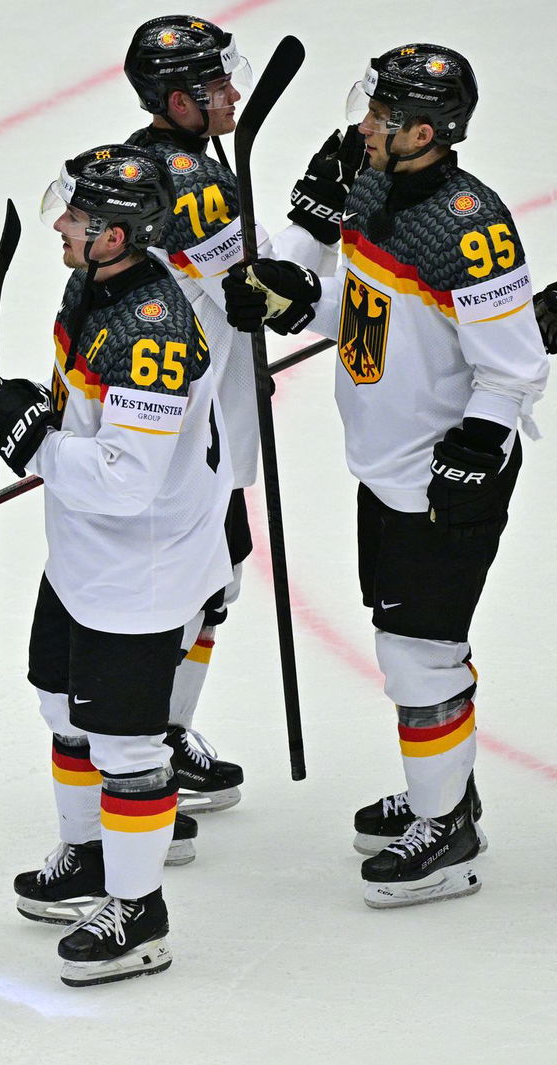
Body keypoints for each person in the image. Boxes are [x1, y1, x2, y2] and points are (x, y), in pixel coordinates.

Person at [221, 44, 545, 907]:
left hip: (441, 476)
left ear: (427, 133)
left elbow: (513, 366)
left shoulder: (468, 226)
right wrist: (295, 301)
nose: (363, 126)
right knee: (407, 643)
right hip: (386, 467)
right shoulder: (371, 190)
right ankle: (448, 787)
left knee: (419, 657)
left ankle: (448, 834)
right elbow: (365, 307)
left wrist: (476, 452)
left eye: (381, 117)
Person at [0, 143, 232, 986]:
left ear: (118, 233)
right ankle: (87, 854)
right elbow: (84, 414)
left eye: (76, 215)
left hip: (138, 570)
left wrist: (31, 440)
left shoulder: (150, 328)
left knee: (126, 744)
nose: (61, 225)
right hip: (83, 552)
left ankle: (138, 910)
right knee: (57, 703)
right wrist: (24, 409)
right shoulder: (92, 286)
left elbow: (127, 478)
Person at [122, 14, 349, 816]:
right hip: (185, 428)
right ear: (177, 100)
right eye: (218, 82)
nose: (233, 92)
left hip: (201, 416)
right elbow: (254, 290)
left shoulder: (160, 161)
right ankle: (140, 761)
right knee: (178, 590)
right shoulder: (190, 179)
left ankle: (164, 734)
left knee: (210, 584)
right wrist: (319, 214)